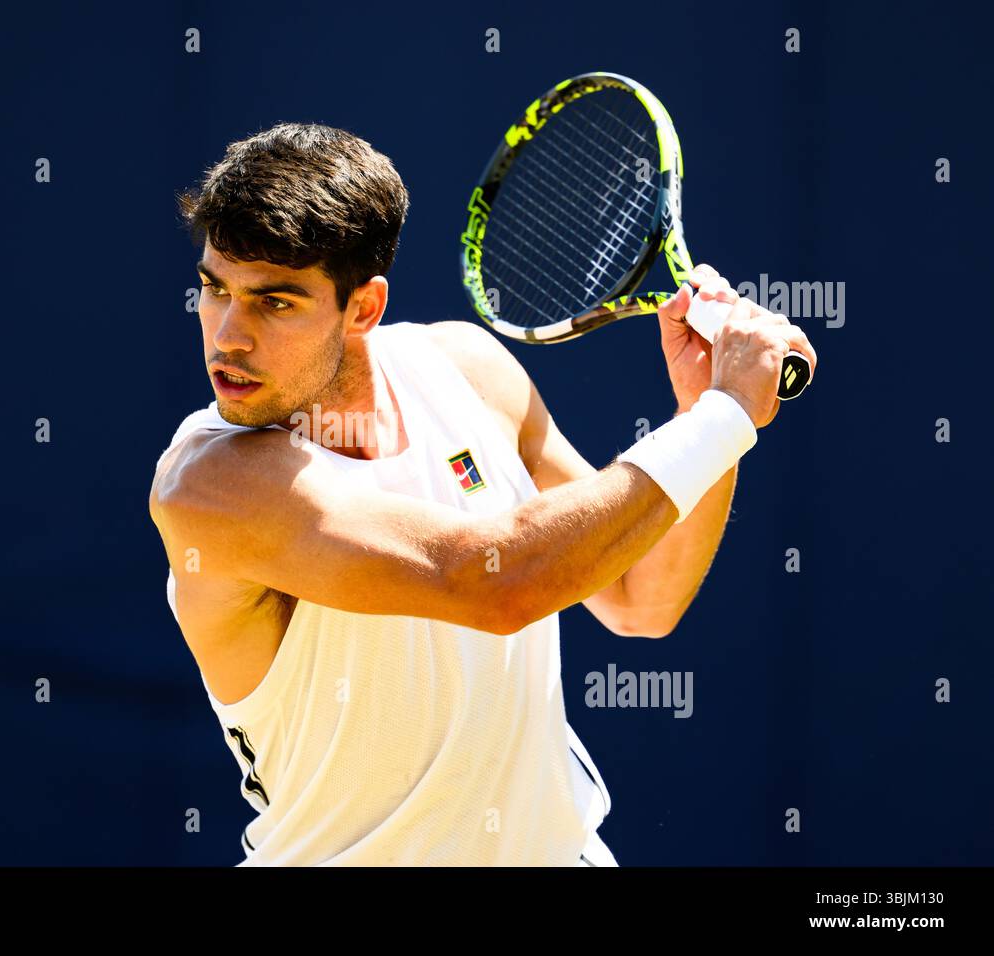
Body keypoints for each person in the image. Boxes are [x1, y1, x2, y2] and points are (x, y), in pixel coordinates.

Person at [150, 122, 816, 865]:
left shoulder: (469, 370)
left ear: (364, 307)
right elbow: (493, 582)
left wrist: (701, 416)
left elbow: (640, 598)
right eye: (215, 289)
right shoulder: (210, 488)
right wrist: (726, 417)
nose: (226, 336)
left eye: (274, 303)